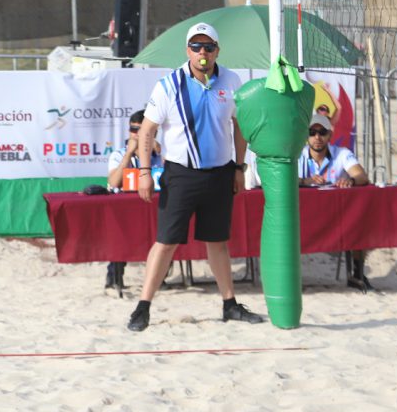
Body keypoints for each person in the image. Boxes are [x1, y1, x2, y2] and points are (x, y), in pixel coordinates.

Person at [128, 22, 263, 332]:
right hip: (181, 174)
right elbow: (147, 130)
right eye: (196, 46)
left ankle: (229, 305)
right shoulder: (169, 84)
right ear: (187, 49)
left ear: (218, 49)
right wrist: (145, 172)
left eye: (209, 46)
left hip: (219, 172)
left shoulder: (231, 79)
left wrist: (239, 168)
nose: (203, 52)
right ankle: (143, 307)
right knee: (165, 242)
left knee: (217, 241)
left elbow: (239, 126)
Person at [296, 114, 374, 291]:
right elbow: (283, 180)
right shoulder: (296, 155)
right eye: (312, 132)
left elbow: (362, 176)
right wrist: (304, 181)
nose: (317, 137)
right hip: (304, 216)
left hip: (335, 217)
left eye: (322, 132)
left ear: (330, 135)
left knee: (358, 220)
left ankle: (357, 273)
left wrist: (351, 181)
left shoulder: (342, 154)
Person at [105, 110, 162, 290]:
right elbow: (114, 182)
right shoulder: (118, 154)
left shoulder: (159, 155)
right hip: (124, 208)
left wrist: (160, 152)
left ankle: (159, 278)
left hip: (152, 206)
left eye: (141, 130)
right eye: (133, 130)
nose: (136, 134)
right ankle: (114, 277)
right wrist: (129, 155)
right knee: (120, 234)